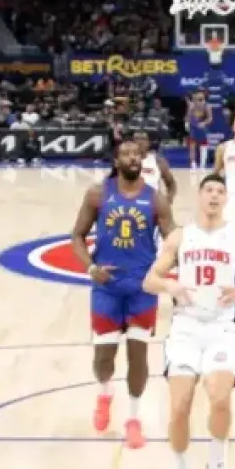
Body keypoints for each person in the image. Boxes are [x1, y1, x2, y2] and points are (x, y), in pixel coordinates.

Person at [143, 173, 235, 469]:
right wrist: (170, 285)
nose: (214, 195)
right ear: (199, 196)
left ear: (226, 199)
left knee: (220, 398)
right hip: (185, 328)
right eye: (209, 190)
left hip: (222, 327)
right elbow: (149, 280)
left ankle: (218, 464)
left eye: (220, 191)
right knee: (179, 405)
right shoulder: (180, 237)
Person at [70, 141, 176, 448]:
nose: (132, 158)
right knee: (104, 359)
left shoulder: (155, 199)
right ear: (116, 161)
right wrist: (90, 267)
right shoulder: (98, 194)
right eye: (126, 154)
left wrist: (168, 267)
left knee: (138, 356)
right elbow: (77, 235)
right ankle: (105, 393)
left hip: (142, 288)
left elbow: (173, 240)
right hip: (107, 286)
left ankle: (133, 418)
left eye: (136, 154)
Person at [135, 130, 177, 205]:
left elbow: (171, 183)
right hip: (132, 206)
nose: (140, 142)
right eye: (137, 139)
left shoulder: (158, 161)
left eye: (143, 139)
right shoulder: (126, 161)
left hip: (153, 205)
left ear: (148, 143)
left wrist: (169, 199)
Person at [186, 91, 212, 170]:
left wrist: (204, 123)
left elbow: (210, 118)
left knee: (203, 145)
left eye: (202, 99)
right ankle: (193, 164)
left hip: (202, 128)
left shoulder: (207, 106)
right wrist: (187, 125)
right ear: (195, 100)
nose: (200, 102)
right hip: (193, 127)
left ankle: (202, 165)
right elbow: (188, 118)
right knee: (192, 146)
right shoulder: (192, 106)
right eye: (198, 99)